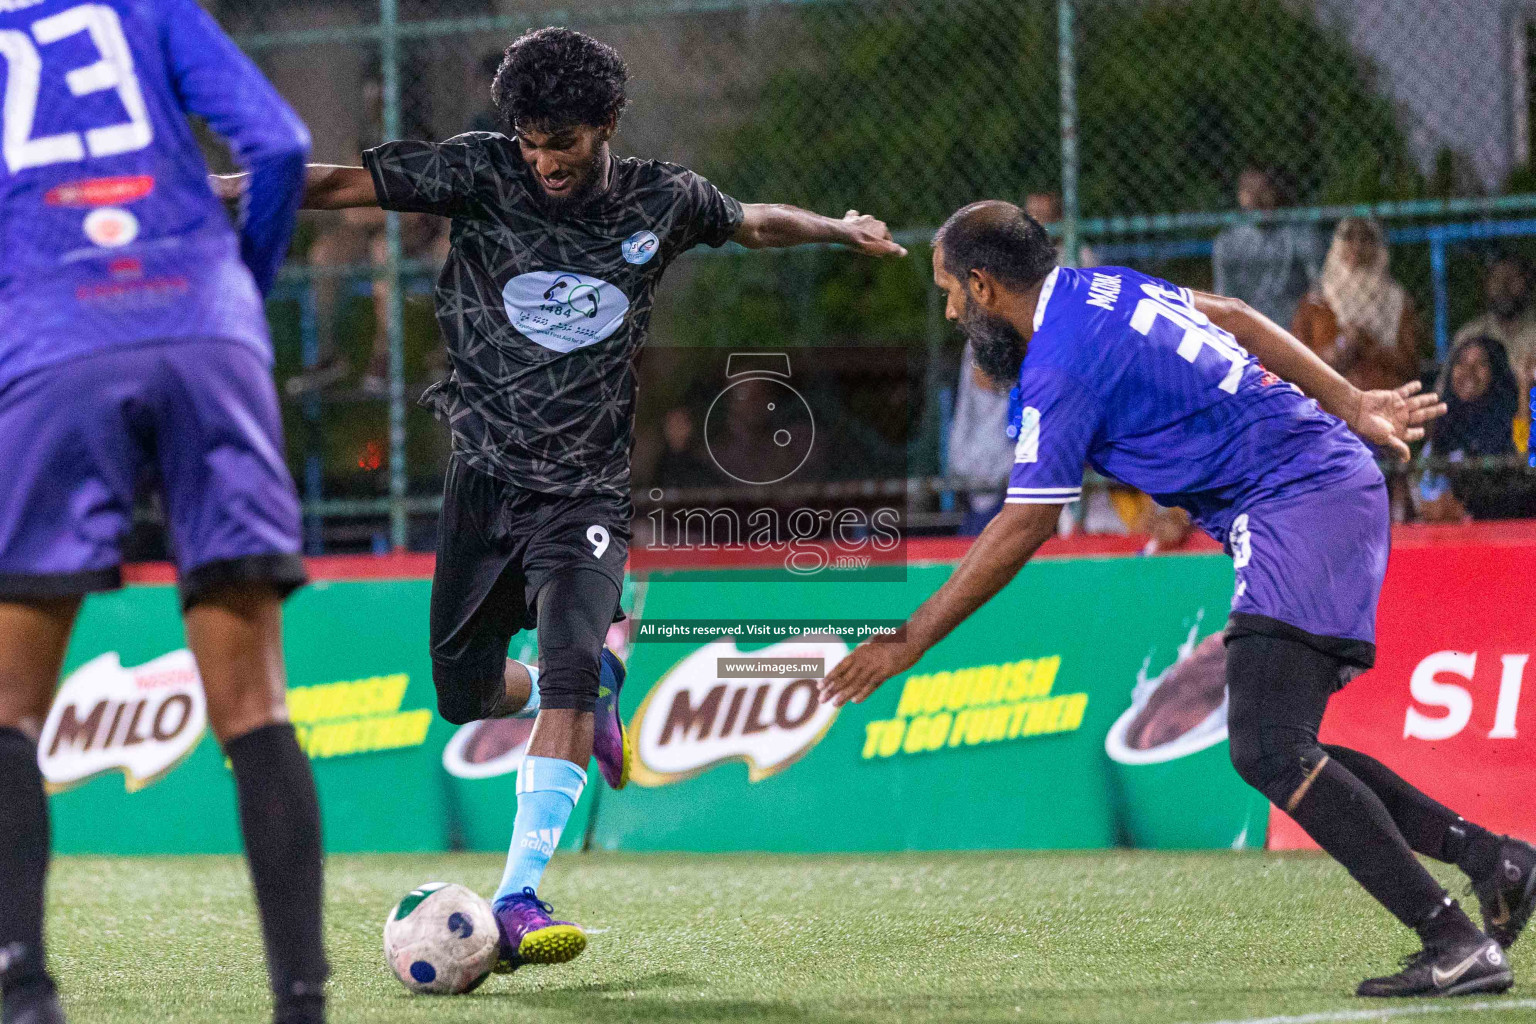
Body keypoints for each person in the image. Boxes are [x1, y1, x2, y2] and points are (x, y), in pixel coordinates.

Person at [217, 26, 904, 971]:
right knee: (463, 694)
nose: (543, 161)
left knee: (572, 660)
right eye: (531, 141)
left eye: (563, 144)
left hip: (583, 488)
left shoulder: (664, 197)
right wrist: (203, 192)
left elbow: (753, 219)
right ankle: (577, 687)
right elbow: (335, 183)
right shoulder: (482, 171)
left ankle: (518, 898)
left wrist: (838, 227)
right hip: (482, 478)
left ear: (607, 124)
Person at [823, 201, 1536, 999]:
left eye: (951, 291)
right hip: (1320, 484)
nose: (950, 310)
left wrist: (913, 636)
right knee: (1281, 741)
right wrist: (1350, 402)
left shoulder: (1060, 361)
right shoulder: (1099, 289)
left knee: (1267, 748)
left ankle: (1454, 940)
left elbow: (1027, 522)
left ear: (985, 286)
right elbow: (1233, 315)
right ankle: (1492, 862)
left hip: (1297, 499)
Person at [0, 2, 325, 1023]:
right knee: (255, 708)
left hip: (54, 346)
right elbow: (280, 143)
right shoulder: (149, 6)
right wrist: (233, 289)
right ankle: (302, 1005)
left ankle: (24, 992)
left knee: (6, 709)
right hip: (207, 334)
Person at [1292, 218, 1421, 392]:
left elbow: (1410, 366)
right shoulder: (1316, 301)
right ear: (1337, 244)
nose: (1357, 246)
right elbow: (1295, 362)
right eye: (1349, 238)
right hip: (1325, 402)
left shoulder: (1397, 300)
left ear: (1377, 246)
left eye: (1365, 239)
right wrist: (1341, 346)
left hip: (1383, 397)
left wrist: (1368, 346)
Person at [1415, 335, 1523, 523]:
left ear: (1495, 372)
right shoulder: (1441, 432)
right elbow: (1428, 504)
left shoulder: (1513, 425)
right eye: (1461, 362)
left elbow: (1524, 458)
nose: (1468, 371)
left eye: (1480, 364)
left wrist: (1523, 389)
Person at [1212, 167, 1324, 329]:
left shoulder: (1299, 233)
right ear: (1240, 195)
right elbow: (1223, 296)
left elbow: (1318, 288)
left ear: (1275, 191)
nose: (1256, 199)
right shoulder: (1228, 241)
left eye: (1263, 190)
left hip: (1294, 326)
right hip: (1246, 326)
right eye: (1249, 191)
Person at [1455, 256, 1536, 395]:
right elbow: (1445, 391)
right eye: (1496, 279)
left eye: (1513, 278)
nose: (1504, 287)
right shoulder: (1470, 334)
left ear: (1527, 283)